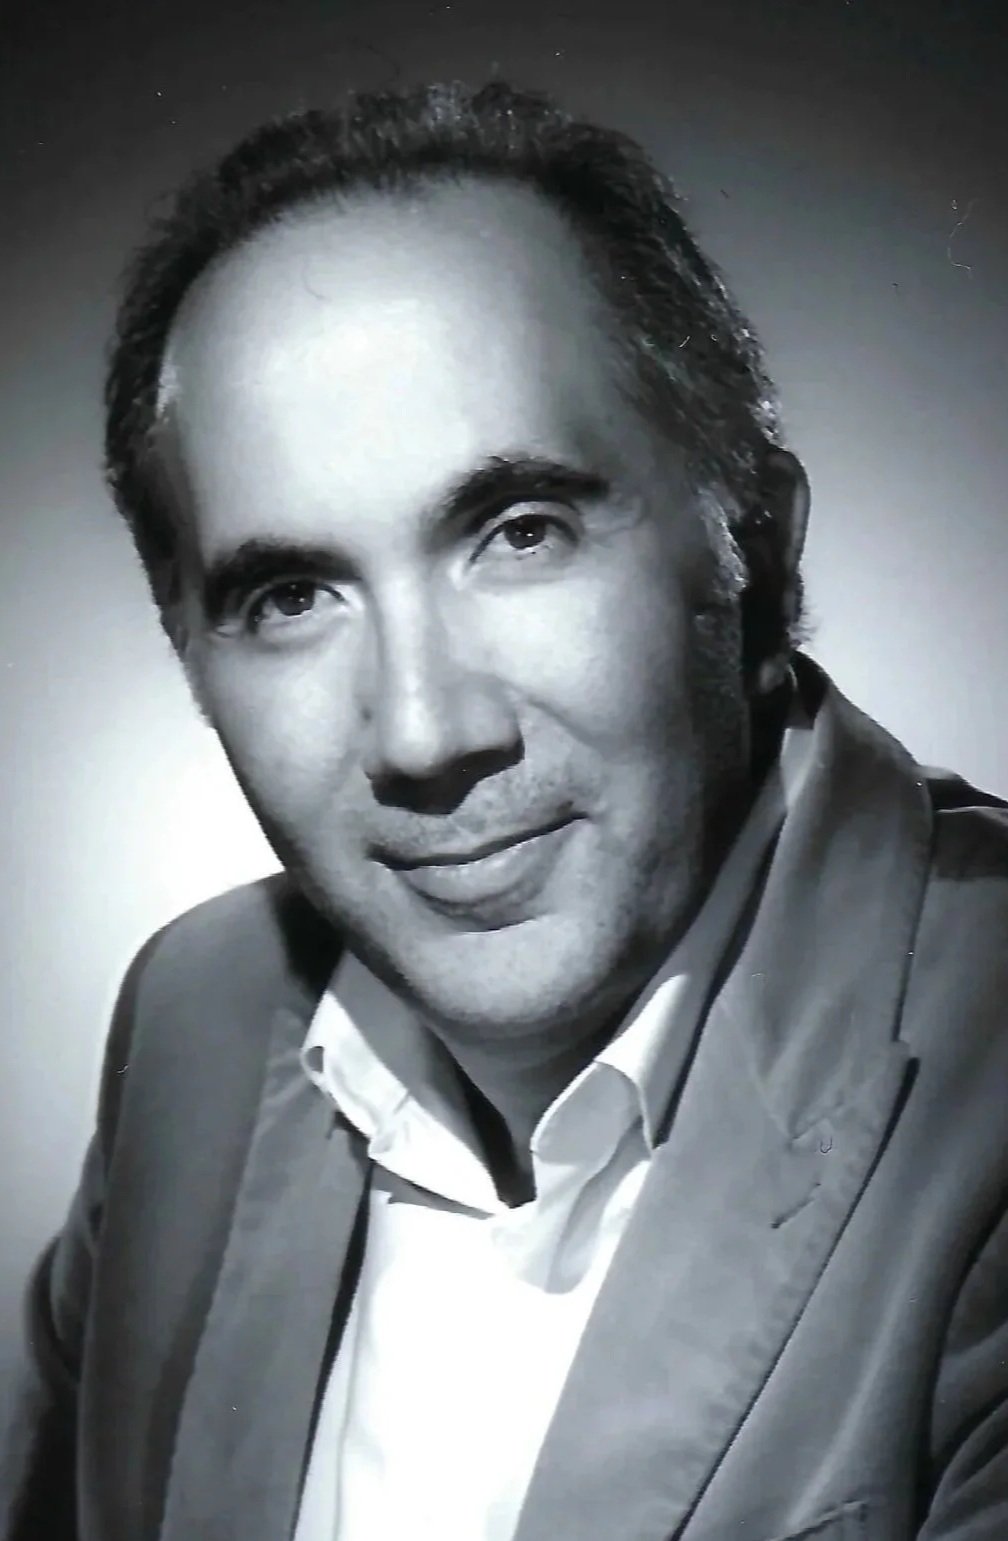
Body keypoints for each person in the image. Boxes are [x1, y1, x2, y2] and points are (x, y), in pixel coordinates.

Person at [2, 79, 1006, 1541]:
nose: (424, 732)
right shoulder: (191, 1020)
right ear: (191, 658)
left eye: (518, 534)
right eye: (291, 596)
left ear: (756, 550)